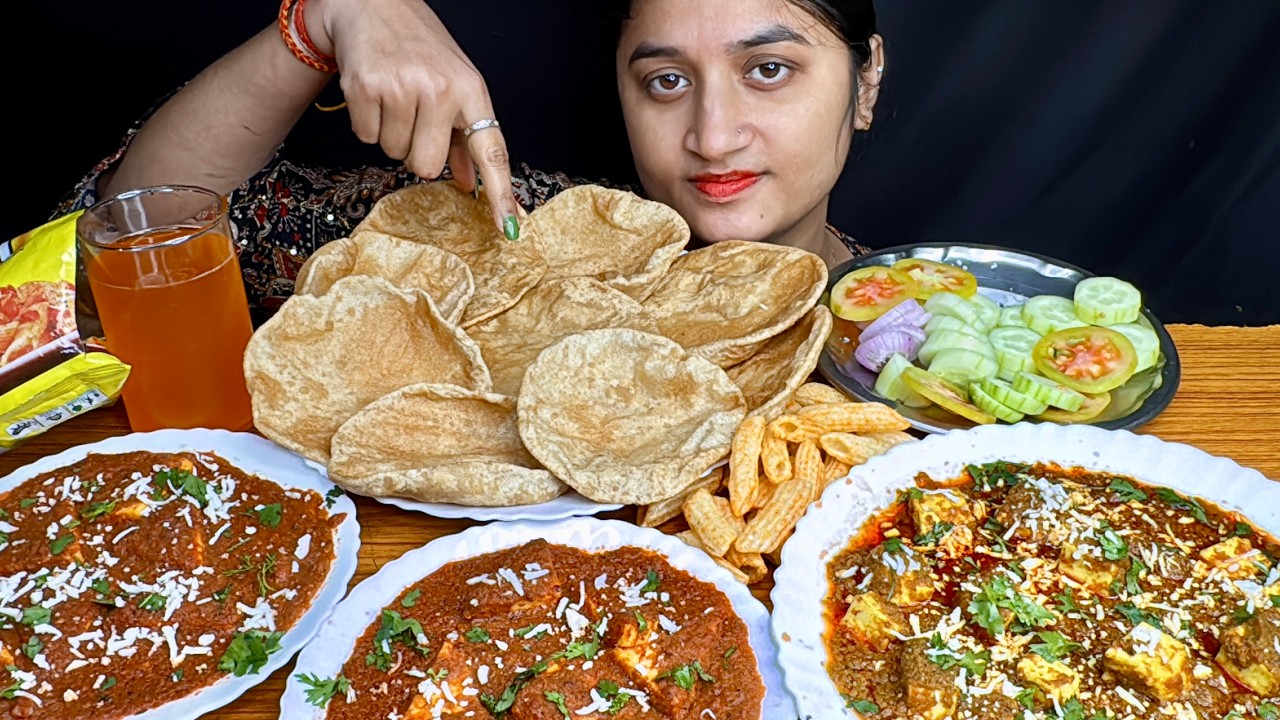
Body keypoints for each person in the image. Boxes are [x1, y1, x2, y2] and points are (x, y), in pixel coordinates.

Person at [57, 0, 885, 318]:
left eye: (768, 70)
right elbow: (137, 235)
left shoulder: (938, 333)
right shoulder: (510, 231)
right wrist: (322, 22)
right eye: (666, 81)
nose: (712, 134)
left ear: (866, 80)